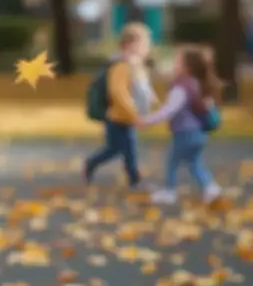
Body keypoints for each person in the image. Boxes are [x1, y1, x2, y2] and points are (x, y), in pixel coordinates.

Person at [137, 46, 224, 204]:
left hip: (185, 134)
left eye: (176, 62)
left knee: (172, 161)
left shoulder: (181, 87)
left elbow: (168, 109)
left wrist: (147, 120)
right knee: (195, 163)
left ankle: (169, 192)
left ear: (186, 67)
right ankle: (210, 187)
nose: (172, 65)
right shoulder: (195, 83)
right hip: (198, 134)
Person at [83, 22, 152, 188]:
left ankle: (130, 175)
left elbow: (141, 90)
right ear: (128, 44)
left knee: (118, 148)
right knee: (124, 148)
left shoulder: (134, 66)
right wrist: (133, 114)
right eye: (142, 44)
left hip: (125, 116)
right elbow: (118, 93)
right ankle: (132, 176)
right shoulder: (121, 66)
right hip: (117, 116)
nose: (146, 48)